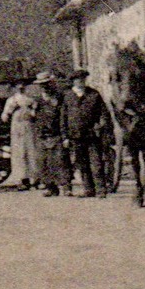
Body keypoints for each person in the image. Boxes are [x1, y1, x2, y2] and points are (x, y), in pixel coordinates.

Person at [63, 70, 109, 198]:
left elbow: (103, 113)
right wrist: (65, 136)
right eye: (77, 80)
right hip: (75, 136)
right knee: (82, 164)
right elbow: (63, 117)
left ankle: (101, 190)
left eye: (82, 79)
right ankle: (89, 190)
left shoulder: (94, 94)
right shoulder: (68, 96)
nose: (80, 82)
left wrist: (100, 125)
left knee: (96, 163)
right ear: (73, 81)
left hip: (91, 135)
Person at [29, 71, 67, 196]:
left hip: (57, 132)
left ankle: (66, 186)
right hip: (42, 133)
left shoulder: (59, 97)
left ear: (51, 83)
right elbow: (33, 117)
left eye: (46, 84)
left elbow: (63, 114)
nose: (44, 87)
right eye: (41, 85)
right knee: (43, 161)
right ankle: (50, 187)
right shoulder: (37, 99)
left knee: (59, 160)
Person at [1, 79, 40, 189]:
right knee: (19, 153)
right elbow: (4, 117)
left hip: (29, 127)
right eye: (18, 85)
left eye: (22, 85)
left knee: (32, 151)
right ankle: (22, 179)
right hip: (17, 128)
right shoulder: (11, 100)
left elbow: (36, 114)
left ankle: (35, 178)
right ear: (14, 87)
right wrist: (10, 110)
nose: (20, 87)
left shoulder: (31, 99)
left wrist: (33, 111)